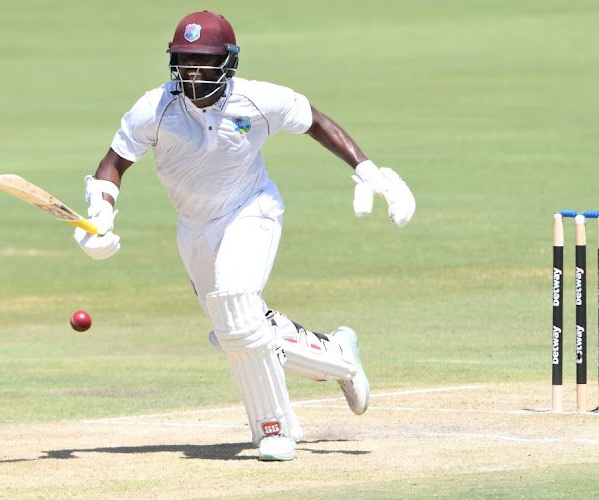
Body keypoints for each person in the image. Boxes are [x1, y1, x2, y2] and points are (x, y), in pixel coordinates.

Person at [74, 10, 416, 461]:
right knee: (234, 330)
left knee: (237, 301)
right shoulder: (154, 108)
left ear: (228, 62)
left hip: (251, 210)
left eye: (204, 62)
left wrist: (369, 171)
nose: (193, 74)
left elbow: (314, 120)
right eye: (184, 62)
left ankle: (275, 429)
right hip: (194, 229)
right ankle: (338, 355)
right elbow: (113, 165)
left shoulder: (256, 100)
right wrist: (101, 213)